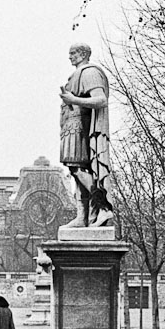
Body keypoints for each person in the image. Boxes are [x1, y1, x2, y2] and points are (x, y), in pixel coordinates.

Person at [59, 43, 113, 227]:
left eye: (73, 53)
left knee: (79, 169)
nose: (70, 57)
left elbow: (101, 99)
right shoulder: (77, 74)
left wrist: (73, 100)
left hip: (81, 127)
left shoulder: (89, 72)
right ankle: (82, 217)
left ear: (83, 54)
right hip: (72, 127)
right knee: (76, 171)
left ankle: (103, 206)